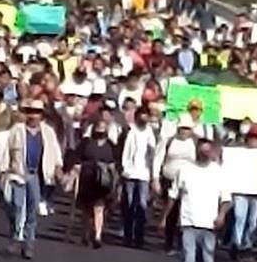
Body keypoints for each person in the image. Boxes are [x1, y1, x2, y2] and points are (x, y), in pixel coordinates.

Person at [164, 138, 231, 262]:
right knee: (188, 260)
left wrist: (221, 215)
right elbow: (173, 195)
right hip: (188, 222)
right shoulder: (185, 169)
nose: (205, 154)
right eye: (201, 151)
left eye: (208, 151)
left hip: (209, 224)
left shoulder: (218, 172)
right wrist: (164, 218)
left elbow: (226, 198)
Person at [5, 99, 63, 259]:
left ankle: (28, 242)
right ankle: (15, 237)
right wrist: (4, 172)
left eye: (36, 113)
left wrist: (58, 169)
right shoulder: (17, 130)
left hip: (36, 175)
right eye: (30, 112)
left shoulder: (48, 132)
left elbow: (55, 153)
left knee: (32, 209)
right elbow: (6, 151)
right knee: (16, 206)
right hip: (18, 173)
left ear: (41, 115)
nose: (33, 116)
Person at [153, 114, 196, 253]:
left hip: (188, 182)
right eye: (183, 128)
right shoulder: (169, 141)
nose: (185, 131)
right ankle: (169, 242)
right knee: (170, 211)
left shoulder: (194, 142)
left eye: (188, 129)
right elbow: (158, 159)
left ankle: (182, 242)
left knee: (184, 213)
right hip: (169, 179)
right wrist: (155, 179)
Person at [74, 116, 117, 247]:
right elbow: (77, 159)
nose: (100, 132)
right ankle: (85, 235)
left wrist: (114, 179)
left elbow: (114, 163)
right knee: (86, 209)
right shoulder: (86, 143)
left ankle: (97, 236)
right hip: (87, 178)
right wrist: (76, 170)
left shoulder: (110, 145)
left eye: (103, 129)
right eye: (98, 129)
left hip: (102, 181)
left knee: (99, 208)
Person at [120, 106, 156, 248]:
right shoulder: (130, 131)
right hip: (130, 173)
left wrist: (153, 174)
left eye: (146, 116)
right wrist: (125, 168)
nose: (143, 119)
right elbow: (125, 151)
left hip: (144, 175)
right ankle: (128, 236)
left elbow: (153, 154)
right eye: (141, 116)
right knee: (128, 205)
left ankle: (139, 237)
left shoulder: (149, 133)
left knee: (141, 206)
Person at [231, 124, 257, 261]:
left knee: (252, 221)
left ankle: (247, 245)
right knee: (239, 218)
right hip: (240, 190)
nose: (254, 141)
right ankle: (236, 243)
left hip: (256, 193)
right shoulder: (239, 153)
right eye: (252, 138)